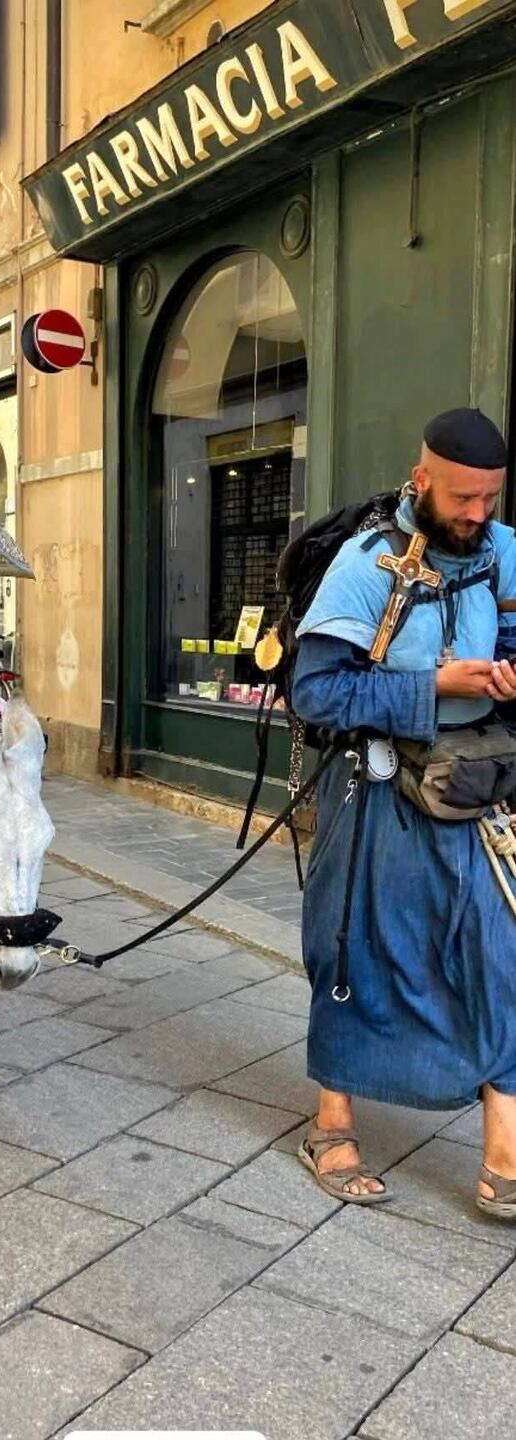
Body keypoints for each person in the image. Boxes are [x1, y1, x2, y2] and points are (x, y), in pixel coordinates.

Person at [293, 407, 516, 1215]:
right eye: (463, 498)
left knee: (498, 955)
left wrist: (504, 678)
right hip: (378, 793)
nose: (477, 516)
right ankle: (332, 1123)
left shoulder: (503, 553)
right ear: (422, 479)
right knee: (360, 954)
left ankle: (504, 1145)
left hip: (473, 793)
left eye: (490, 499)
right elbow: (316, 692)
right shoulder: (362, 565)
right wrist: (435, 688)